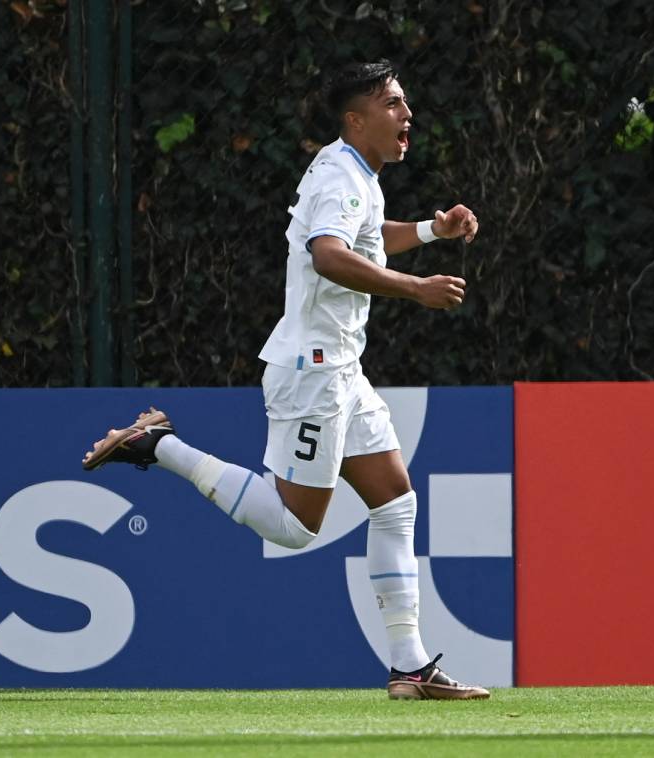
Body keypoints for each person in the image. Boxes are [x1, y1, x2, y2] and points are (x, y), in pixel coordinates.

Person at [83, 60, 488, 700]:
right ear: (355, 119)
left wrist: (432, 231)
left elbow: (362, 241)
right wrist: (414, 289)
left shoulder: (355, 173)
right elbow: (328, 255)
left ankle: (410, 667)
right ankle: (158, 445)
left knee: (394, 500)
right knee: (296, 528)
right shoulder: (339, 175)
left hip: (340, 368)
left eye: (405, 102)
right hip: (313, 373)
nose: (406, 114)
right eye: (392, 103)